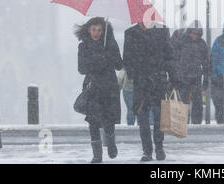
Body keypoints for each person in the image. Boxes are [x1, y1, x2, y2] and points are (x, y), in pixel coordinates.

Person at [123, 22, 177, 162]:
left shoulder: (162, 30)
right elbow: (127, 58)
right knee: (142, 117)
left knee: (159, 116)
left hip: (158, 80)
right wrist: (133, 74)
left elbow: (169, 55)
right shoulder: (130, 33)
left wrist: (173, 77)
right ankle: (147, 151)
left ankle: (159, 147)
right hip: (140, 82)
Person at [75, 17, 124, 164]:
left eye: (99, 30)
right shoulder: (84, 47)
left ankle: (111, 143)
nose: (96, 33)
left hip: (109, 87)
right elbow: (81, 69)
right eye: (94, 30)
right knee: (93, 122)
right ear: (88, 30)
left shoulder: (110, 44)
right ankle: (97, 155)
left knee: (109, 120)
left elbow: (119, 65)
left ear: (104, 31)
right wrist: (98, 59)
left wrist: (110, 52)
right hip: (93, 87)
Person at [173, 21, 209, 125]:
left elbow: (206, 64)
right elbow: (174, 59)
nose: (196, 36)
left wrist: (205, 80)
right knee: (183, 103)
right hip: (183, 77)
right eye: (195, 34)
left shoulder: (201, 44)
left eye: (198, 35)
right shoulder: (181, 42)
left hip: (195, 78)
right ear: (189, 32)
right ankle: (183, 124)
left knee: (197, 103)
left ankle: (195, 124)